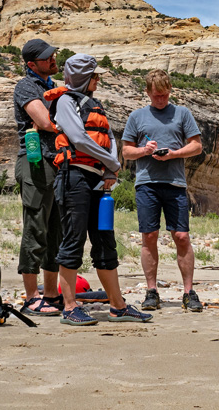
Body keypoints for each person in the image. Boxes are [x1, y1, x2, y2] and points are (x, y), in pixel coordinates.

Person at [44, 53, 152, 325]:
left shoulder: (94, 104)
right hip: (74, 179)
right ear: (83, 77)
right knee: (73, 240)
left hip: (97, 182)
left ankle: (118, 306)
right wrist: (111, 162)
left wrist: (111, 169)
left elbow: (109, 140)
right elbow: (79, 139)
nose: (98, 79)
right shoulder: (65, 102)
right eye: (94, 75)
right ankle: (69, 309)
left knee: (105, 242)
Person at [122, 70, 204, 312]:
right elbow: (126, 151)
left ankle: (189, 292)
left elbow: (197, 146)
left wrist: (174, 153)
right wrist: (145, 151)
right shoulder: (137, 117)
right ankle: (151, 291)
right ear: (147, 92)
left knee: (181, 237)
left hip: (175, 184)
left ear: (170, 91)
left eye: (165, 95)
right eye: (157, 96)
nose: (161, 100)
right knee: (149, 237)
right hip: (146, 183)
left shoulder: (182, 113)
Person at [13, 39, 64, 316]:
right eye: (46, 57)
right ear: (32, 64)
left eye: (52, 54)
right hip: (36, 164)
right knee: (35, 227)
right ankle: (32, 297)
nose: (53, 58)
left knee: (55, 230)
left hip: (55, 164)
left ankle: (52, 294)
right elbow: (45, 122)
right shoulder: (26, 86)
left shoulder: (50, 86)